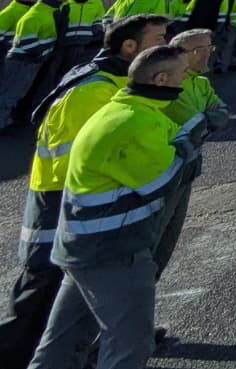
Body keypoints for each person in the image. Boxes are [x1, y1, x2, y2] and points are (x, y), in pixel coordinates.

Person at [0, 15, 169, 355]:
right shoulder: (97, 90)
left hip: (71, 195)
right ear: (130, 46)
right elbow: (89, 156)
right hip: (62, 197)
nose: (165, 45)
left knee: (71, 285)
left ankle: (85, 346)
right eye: (159, 39)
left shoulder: (107, 80)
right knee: (43, 283)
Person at [27, 45, 199, 369]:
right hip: (114, 251)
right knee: (128, 347)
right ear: (162, 79)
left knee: (61, 342)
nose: (186, 79)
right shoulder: (136, 122)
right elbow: (165, 181)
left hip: (80, 247)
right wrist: (195, 134)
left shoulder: (119, 109)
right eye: (181, 74)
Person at [157, 29, 230, 276]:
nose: (207, 55)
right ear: (180, 54)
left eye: (210, 49)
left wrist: (207, 120)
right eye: (200, 50)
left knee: (170, 236)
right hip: (166, 170)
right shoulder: (172, 84)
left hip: (189, 165)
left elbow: (221, 114)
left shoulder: (201, 82)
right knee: (157, 232)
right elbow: (195, 125)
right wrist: (207, 120)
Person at [0, 0, 67, 128]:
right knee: (10, 92)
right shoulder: (32, 16)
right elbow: (27, 43)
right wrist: (41, 55)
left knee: (15, 92)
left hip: (27, 60)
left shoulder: (42, 13)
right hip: (23, 61)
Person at [57, 0, 105, 70]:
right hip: (65, 39)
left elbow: (99, 20)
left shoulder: (96, 3)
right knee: (61, 65)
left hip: (85, 41)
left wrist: (96, 34)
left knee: (76, 66)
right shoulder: (67, 3)